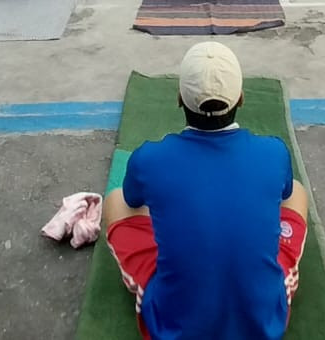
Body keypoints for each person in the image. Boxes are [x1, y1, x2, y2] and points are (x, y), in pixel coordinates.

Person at [103, 40, 309, 339]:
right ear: (240, 98)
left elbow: (132, 201)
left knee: (116, 201)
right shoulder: (274, 152)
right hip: (263, 322)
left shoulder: (149, 159)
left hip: (174, 325)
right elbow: (286, 195)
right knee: (297, 192)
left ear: (178, 98)